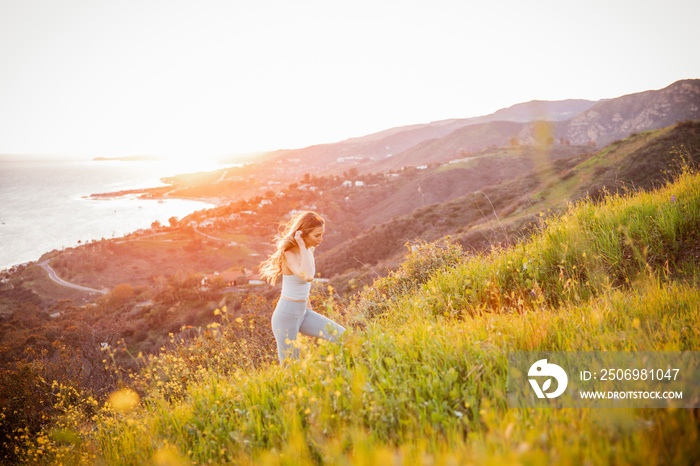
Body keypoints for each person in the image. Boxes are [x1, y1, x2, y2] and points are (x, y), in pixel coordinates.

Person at [259, 211, 345, 363]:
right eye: (317, 236)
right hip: (286, 316)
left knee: (344, 337)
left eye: (322, 234)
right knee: (291, 368)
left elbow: (305, 285)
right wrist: (300, 244)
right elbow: (307, 275)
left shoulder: (309, 249)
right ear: (303, 234)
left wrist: (309, 307)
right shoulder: (289, 253)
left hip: (303, 313)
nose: (321, 239)